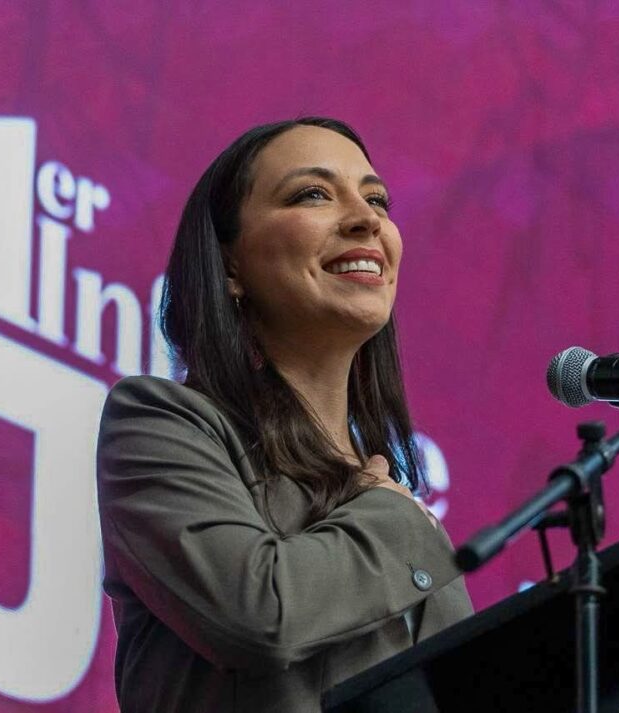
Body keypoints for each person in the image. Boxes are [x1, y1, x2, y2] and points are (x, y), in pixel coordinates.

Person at [96, 117, 473, 713]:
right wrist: (394, 516)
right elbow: (256, 614)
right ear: (229, 266)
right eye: (313, 194)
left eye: (377, 200)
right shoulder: (161, 422)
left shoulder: (399, 509)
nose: (366, 220)